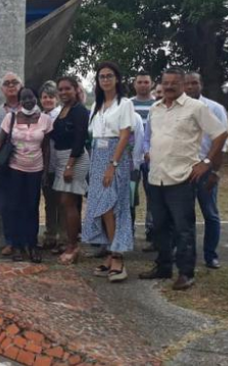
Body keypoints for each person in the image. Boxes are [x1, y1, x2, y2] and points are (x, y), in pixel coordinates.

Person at [139, 68, 228, 290]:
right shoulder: (155, 108)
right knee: (159, 226)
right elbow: (150, 137)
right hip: (156, 177)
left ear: (182, 85)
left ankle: (186, 273)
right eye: (165, 82)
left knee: (183, 228)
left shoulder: (196, 108)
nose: (168, 87)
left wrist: (206, 163)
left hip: (181, 178)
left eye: (174, 83)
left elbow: (220, 134)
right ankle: (163, 266)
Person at [0, 87, 52, 262]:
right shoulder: (11, 118)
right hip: (14, 169)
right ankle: (16, 245)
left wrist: (45, 171)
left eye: (31, 97)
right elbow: (0, 141)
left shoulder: (45, 119)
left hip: (35, 170)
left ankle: (31, 245)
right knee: (13, 207)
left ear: (35, 98)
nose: (28, 101)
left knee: (31, 208)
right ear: (20, 101)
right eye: (24, 98)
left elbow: (46, 147)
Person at [82, 62, 135, 283]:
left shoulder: (125, 104)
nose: (105, 80)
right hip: (97, 155)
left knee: (114, 206)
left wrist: (112, 165)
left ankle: (118, 256)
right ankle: (110, 251)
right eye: (101, 76)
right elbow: (93, 136)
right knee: (102, 207)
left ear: (117, 79)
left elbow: (124, 135)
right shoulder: (97, 105)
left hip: (115, 157)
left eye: (109, 76)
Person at [185, 72, 228, 269]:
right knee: (185, 215)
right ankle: (188, 254)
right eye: (186, 84)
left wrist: (214, 172)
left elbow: (222, 143)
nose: (190, 87)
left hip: (206, 169)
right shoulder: (179, 109)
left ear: (201, 85)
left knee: (210, 214)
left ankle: (210, 255)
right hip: (184, 170)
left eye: (194, 83)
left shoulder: (215, 108)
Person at [51, 76, 90, 265]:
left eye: (68, 89)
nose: (64, 92)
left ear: (75, 90)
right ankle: (71, 242)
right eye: (61, 89)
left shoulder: (79, 111)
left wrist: (69, 165)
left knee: (69, 202)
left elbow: (80, 139)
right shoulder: (62, 110)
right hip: (61, 158)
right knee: (66, 203)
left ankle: (73, 246)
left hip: (74, 159)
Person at [0, 72, 22, 256]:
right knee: (5, 206)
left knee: (23, 204)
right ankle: (10, 241)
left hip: (26, 165)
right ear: (2, 89)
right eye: (7, 83)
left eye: (14, 82)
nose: (11, 86)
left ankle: (25, 241)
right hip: (4, 167)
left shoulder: (31, 108)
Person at [130, 71, 157, 251]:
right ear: (134, 84)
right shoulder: (128, 105)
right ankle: (128, 231)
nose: (143, 85)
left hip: (152, 158)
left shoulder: (157, 104)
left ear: (152, 84)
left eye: (146, 82)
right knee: (130, 196)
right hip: (132, 159)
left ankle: (152, 231)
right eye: (139, 82)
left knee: (153, 197)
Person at [39, 80, 65, 254]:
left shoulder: (61, 114)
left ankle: (63, 238)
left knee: (63, 202)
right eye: (44, 97)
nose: (48, 100)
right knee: (49, 202)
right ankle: (50, 234)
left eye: (51, 97)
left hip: (61, 163)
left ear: (57, 98)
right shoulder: (40, 116)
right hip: (45, 165)